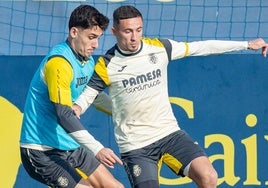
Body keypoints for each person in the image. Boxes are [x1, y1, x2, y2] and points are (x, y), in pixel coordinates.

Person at [73, 5, 268, 188]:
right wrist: (77, 108)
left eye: (138, 30)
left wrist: (246, 44)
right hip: (136, 146)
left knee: (209, 176)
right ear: (115, 32)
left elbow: (201, 47)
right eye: (128, 31)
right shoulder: (107, 65)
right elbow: (89, 96)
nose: (134, 37)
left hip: (169, 134)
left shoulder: (160, 48)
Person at [19, 5, 124, 188]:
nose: (96, 45)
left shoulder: (87, 60)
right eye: (91, 37)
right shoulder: (59, 63)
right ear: (74, 32)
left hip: (70, 145)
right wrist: (97, 148)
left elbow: (94, 97)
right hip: (41, 150)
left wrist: (126, 112)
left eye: (98, 38)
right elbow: (64, 114)